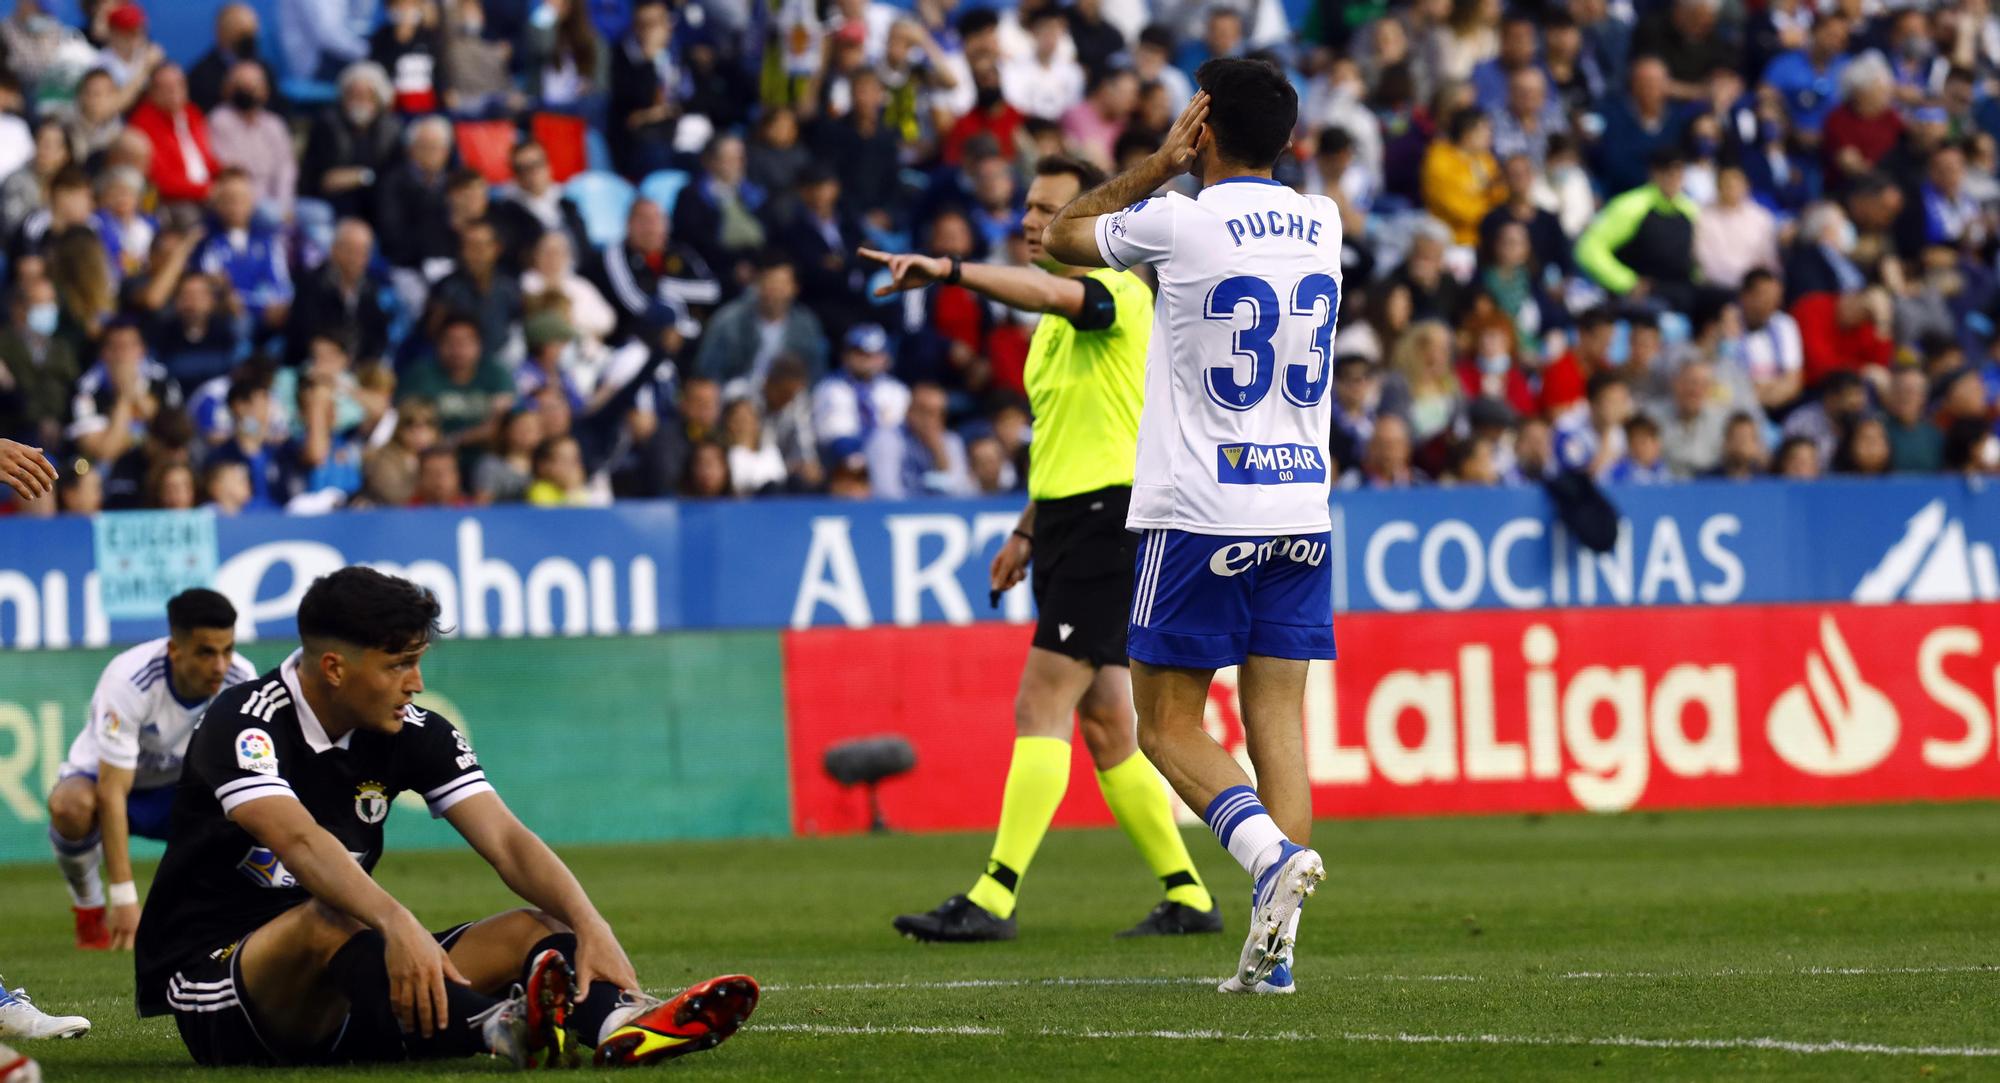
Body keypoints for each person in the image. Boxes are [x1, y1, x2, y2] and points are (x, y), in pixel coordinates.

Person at [132, 567, 758, 1067]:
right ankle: (499, 1026)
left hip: (357, 974)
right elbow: (298, 841)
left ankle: (621, 1027)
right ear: (334, 668)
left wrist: (590, 924)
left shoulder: (413, 730)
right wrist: (397, 922)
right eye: (399, 664)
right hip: (223, 988)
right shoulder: (243, 722)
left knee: (532, 928)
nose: (415, 681)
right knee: (330, 918)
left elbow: (508, 842)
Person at [872, 149, 1220, 941]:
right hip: (1067, 520)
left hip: (1111, 519)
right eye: (1030, 209)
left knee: (1040, 702)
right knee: (1105, 722)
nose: (1035, 222)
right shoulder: (1049, 335)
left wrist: (954, 271)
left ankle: (994, 895)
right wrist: (1027, 529)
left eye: (1053, 211)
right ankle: (1188, 894)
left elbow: (1052, 290)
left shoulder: (1115, 294)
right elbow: (1069, 434)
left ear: (1093, 227)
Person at [1043, 61, 1334, 995]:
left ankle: (1265, 860)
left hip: (1203, 509)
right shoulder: (1324, 221)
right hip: (1301, 505)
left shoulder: (1178, 217)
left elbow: (1058, 237)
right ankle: (1277, 954)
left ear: (1202, 121)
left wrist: (1155, 163)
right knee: (1276, 719)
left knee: (1165, 726)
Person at [47, 589, 255, 950]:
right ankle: (89, 911)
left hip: (179, 791)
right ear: (175, 650)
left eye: (227, 650)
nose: (220, 665)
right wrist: (124, 897)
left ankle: (220, 917)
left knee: (246, 804)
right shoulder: (130, 680)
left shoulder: (241, 679)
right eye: (207, 652)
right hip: (110, 785)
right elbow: (111, 790)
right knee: (70, 806)